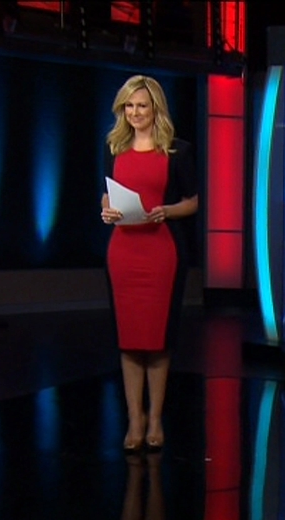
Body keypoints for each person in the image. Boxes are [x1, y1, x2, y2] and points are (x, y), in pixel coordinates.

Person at [100, 75, 198, 453]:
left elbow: (193, 201)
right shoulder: (114, 146)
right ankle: (134, 420)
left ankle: (155, 418)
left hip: (162, 252)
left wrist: (167, 211)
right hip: (123, 253)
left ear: (156, 108)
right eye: (129, 106)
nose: (135, 112)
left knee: (157, 341)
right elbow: (106, 194)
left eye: (142, 105)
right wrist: (107, 210)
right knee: (128, 340)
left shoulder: (177, 151)